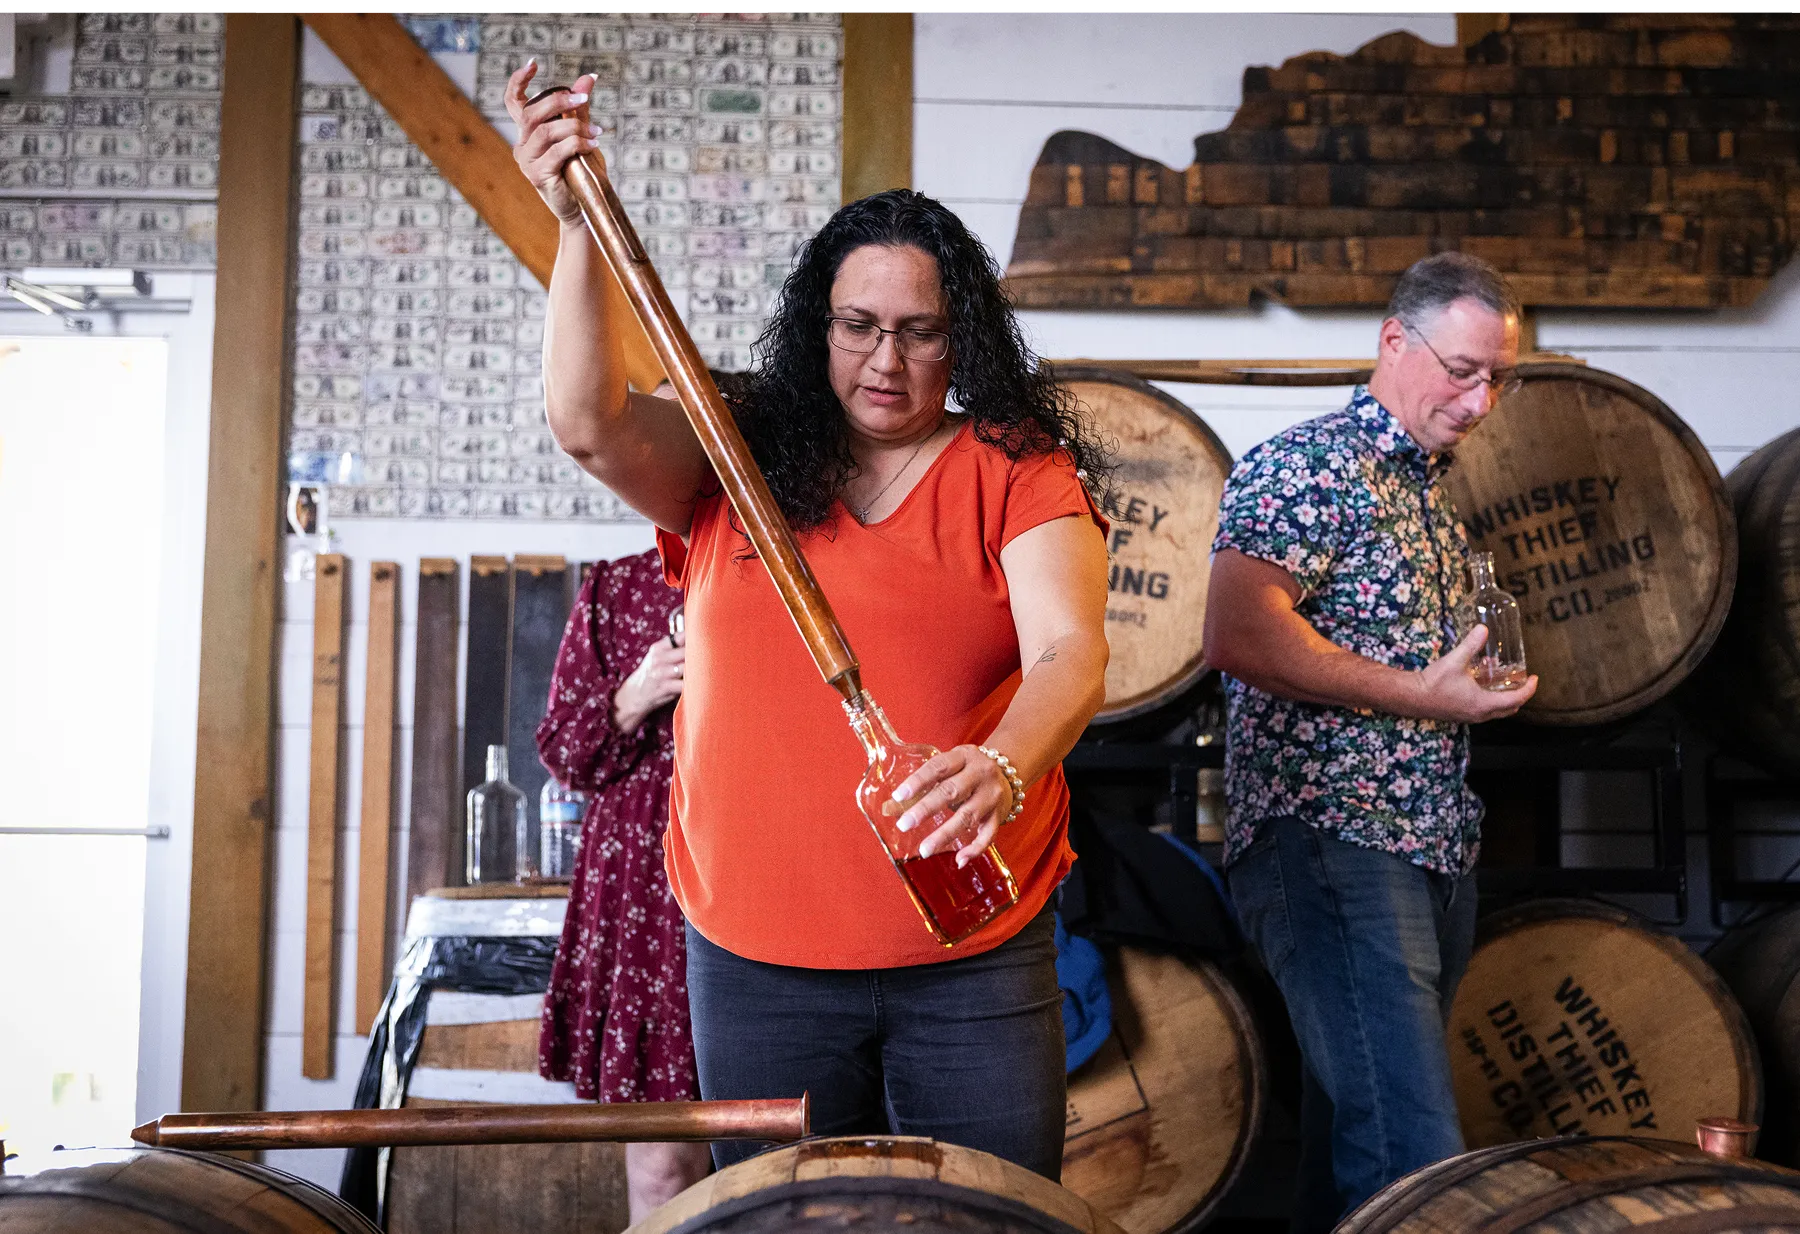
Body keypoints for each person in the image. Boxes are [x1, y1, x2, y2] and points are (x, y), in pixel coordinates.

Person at [506, 61, 1112, 1180]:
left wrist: (1004, 767)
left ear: (962, 337)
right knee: (779, 1219)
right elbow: (588, 423)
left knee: (995, 1215)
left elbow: (1072, 652)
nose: (887, 361)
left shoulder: (1016, 467)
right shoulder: (736, 455)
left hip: (970, 942)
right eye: (860, 325)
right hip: (755, 954)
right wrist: (576, 226)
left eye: (922, 333)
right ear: (818, 324)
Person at [1202, 252, 1539, 1232]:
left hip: (1429, 846)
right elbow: (1238, 630)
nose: (1480, 400)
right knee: (1415, 1159)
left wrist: (1463, 690)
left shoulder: (1432, 494)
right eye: (1462, 369)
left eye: (1498, 377)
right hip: (1333, 841)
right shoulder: (1311, 464)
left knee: (1356, 1154)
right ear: (1395, 341)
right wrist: (1427, 696)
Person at [534, 544, 711, 1221]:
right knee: (664, 1168)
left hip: (764, 876)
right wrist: (640, 690)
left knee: (776, 1158)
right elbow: (564, 752)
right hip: (644, 893)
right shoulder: (615, 588)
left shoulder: (794, 564)